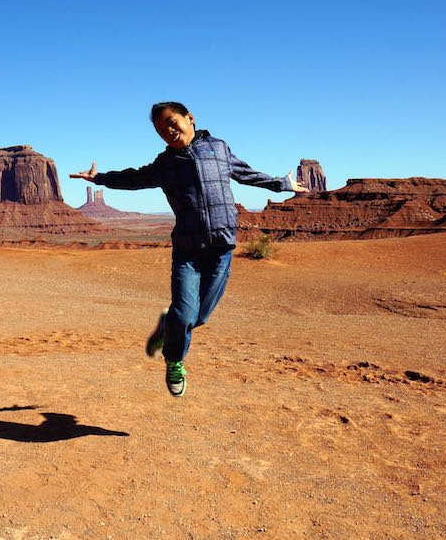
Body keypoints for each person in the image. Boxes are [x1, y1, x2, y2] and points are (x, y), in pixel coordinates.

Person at [70, 102, 307, 397]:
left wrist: (283, 183)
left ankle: (166, 326)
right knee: (184, 316)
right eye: (159, 130)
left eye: (171, 123)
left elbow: (246, 174)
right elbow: (134, 178)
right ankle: (174, 360)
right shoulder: (165, 164)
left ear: (190, 118)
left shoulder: (218, 148)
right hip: (187, 249)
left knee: (199, 317)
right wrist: (100, 178)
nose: (167, 131)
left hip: (221, 246)